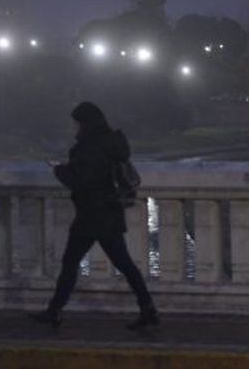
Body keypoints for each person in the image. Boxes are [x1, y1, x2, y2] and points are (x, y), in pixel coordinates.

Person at [29, 102, 158, 330]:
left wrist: (58, 169)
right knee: (125, 264)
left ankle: (54, 311)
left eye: (76, 123)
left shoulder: (87, 147)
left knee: (70, 263)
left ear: (83, 123)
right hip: (110, 212)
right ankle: (147, 308)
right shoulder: (112, 142)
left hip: (90, 215)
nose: (73, 127)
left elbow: (80, 179)